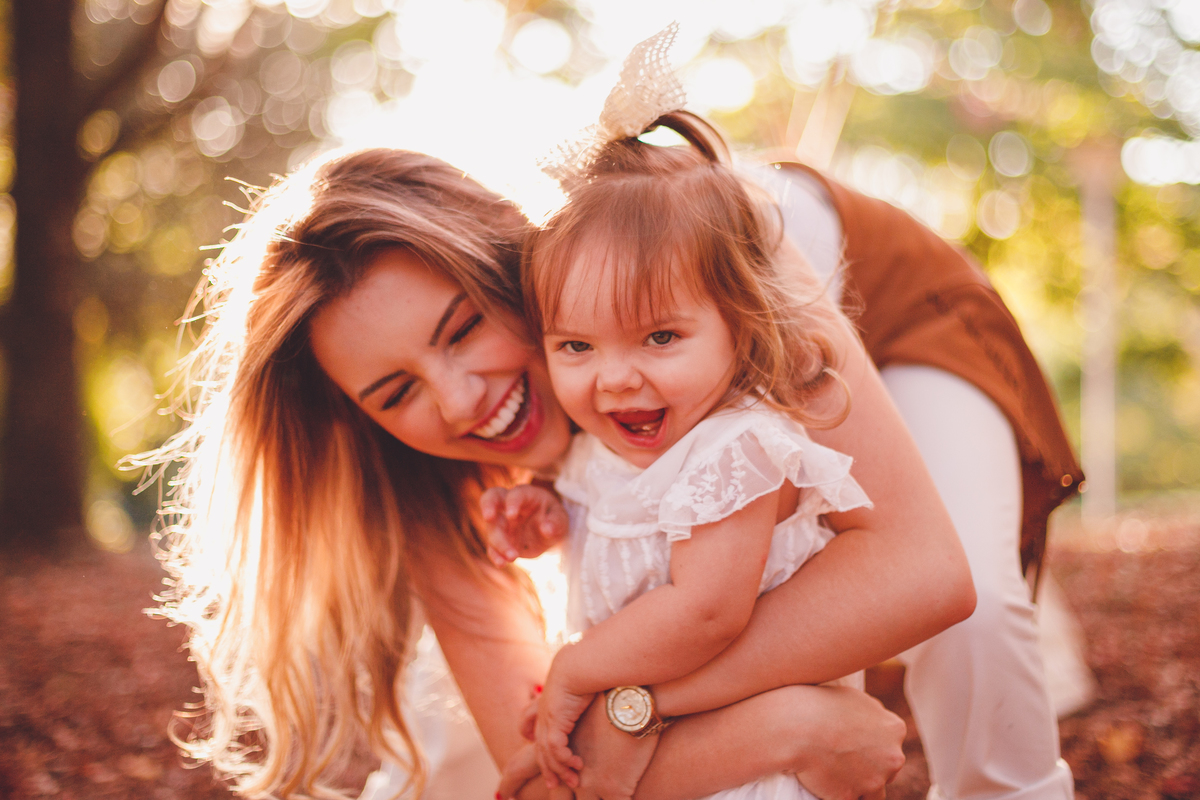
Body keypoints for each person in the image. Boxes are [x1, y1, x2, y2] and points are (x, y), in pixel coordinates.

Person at [132, 143, 975, 800]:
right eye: (397, 393)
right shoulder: (430, 484)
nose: (462, 402)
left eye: (462, 329)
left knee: (991, 617)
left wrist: (628, 705)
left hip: (896, 289)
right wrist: (790, 725)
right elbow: (548, 781)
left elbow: (926, 574)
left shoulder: (688, 260)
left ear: (514, 269)